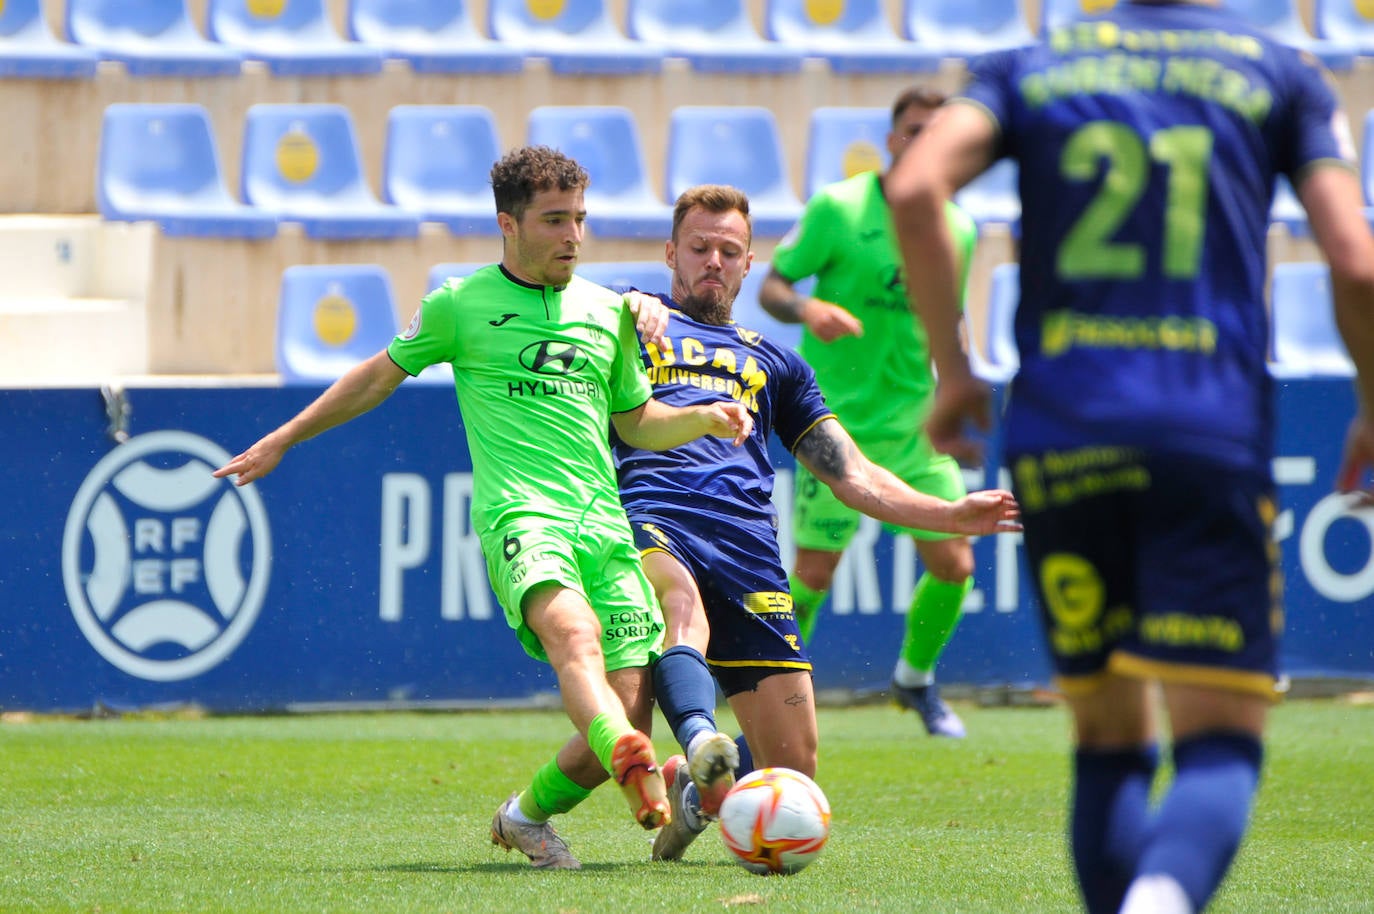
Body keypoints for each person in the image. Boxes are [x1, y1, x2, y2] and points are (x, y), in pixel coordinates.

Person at [886, 4, 1374, 912]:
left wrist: (954, 372)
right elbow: (1356, 262)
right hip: (1204, 428)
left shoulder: (1026, 64)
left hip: (1059, 433)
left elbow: (914, 188)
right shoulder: (1283, 73)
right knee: (1221, 739)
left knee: (1109, 735)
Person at [212, 146, 755, 871]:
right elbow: (376, 377)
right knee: (574, 635)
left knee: (624, 705)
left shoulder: (606, 312)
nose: (573, 236)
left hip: (605, 524)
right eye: (555, 220)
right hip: (522, 515)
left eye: (581, 219)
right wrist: (283, 439)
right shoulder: (460, 305)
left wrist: (706, 419)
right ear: (509, 223)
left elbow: (637, 423)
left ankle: (526, 816)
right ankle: (630, 755)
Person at [544, 184, 1022, 865]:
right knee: (679, 614)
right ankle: (696, 737)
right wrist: (625, 302)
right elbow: (548, 301)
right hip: (648, 519)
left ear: (748, 264)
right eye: (699, 247)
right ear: (671, 253)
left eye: (728, 251)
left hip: (748, 552)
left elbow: (853, 476)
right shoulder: (626, 320)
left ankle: (694, 791)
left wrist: (946, 513)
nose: (713, 260)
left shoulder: (778, 364)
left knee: (796, 773)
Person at [758, 86, 981, 739]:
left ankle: (914, 679)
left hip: (915, 427)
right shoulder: (838, 207)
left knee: (955, 565)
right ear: (891, 139)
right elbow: (773, 285)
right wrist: (808, 310)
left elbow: (949, 320)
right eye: (912, 131)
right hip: (835, 427)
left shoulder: (959, 227)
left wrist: (956, 391)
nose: (921, 143)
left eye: (935, 134)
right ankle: (773, 692)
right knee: (815, 573)